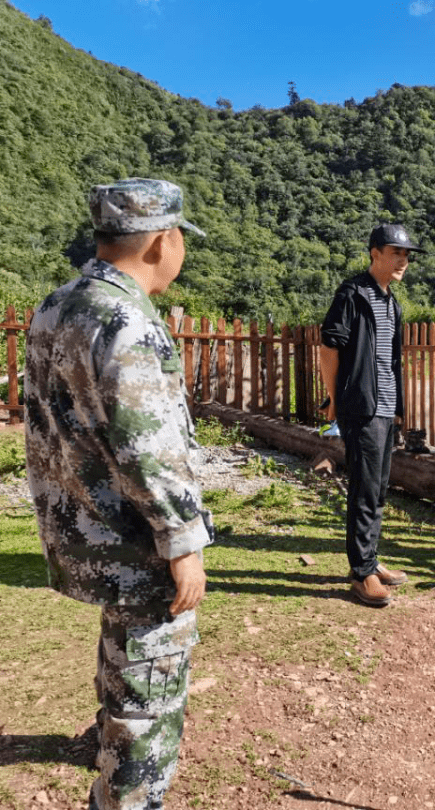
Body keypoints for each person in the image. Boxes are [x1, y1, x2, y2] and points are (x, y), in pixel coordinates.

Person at [23, 178, 213, 810]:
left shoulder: (58, 305)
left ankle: (109, 766)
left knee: (122, 659)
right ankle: (127, 797)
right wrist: (181, 541)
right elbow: (146, 446)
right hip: (135, 542)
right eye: (181, 237)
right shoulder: (128, 319)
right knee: (149, 695)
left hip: (83, 528)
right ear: (162, 240)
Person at [320, 223, 422, 606]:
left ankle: (369, 561)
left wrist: (396, 408)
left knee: (378, 489)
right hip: (359, 406)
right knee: (364, 489)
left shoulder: (391, 301)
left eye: (407, 255)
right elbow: (329, 347)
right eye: (396, 252)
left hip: (384, 406)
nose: (403, 261)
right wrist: (334, 399)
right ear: (375, 253)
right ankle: (362, 574)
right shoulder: (352, 293)